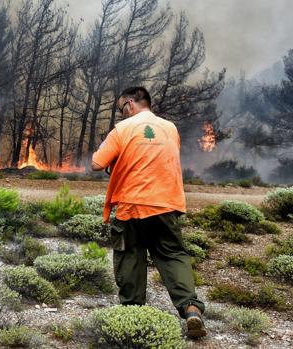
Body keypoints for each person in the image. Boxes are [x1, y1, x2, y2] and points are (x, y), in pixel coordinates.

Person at [91, 86, 207, 339]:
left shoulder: (122, 129)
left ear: (131, 104)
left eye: (122, 108)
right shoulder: (170, 128)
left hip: (132, 204)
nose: (122, 113)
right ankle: (190, 308)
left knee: (130, 255)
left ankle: (133, 315)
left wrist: (113, 156)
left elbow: (97, 163)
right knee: (173, 255)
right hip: (167, 203)